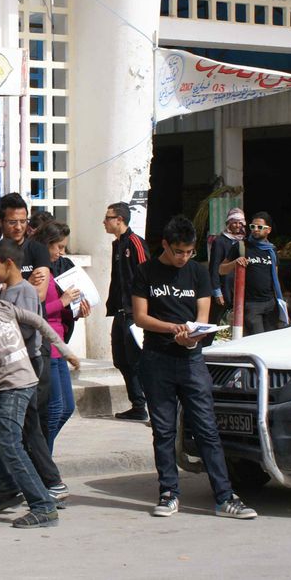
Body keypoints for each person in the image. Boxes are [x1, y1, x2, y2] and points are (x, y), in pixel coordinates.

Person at [132, 215, 257, 520]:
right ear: (165, 245)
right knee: (163, 430)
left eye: (188, 252)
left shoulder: (198, 273)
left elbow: (203, 316)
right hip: (156, 360)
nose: (183, 258)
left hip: (191, 360)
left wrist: (192, 337)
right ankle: (168, 492)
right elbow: (140, 317)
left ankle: (225, 497)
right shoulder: (145, 272)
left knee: (206, 429)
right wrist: (173, 328)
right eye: (178, 252)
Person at [0, 267, 76, 529]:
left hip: (14, 386)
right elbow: (39, 320)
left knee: (10, 445)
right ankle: (7, 490)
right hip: (15, 382)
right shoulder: (0, 304)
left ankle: (43, 506)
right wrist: (65, 350)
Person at [0, 241, 75, 502]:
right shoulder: (10, 291)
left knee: (26, 428)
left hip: (28, 366)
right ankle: (38, 483)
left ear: (8, 264)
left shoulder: (23, 292)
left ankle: (46, 483)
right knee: (26, 427)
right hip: (19, 367)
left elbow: (27, 328)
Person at [36, 221, 88, 451]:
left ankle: (39, 452)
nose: (61, 252)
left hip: (59, 344)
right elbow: (34, 312)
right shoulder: (38, 272)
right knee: (54, 408)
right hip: (45, 346)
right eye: (58, 246)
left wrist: (75, 309)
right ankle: (41, 457)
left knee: (66, 408)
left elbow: (59, 310)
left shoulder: (59, 267)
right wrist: (63, 301)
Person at [104, 201, 149, 421]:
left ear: (119, 220)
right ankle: (137, 405)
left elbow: (147, 276)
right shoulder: (117, 244)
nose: (104, 221)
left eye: (108, 217)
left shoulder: (135, 243)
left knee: (136, 360)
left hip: (134, 313)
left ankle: (146, 403)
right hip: (120, 311)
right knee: (120, 359)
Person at [219, 211, 289, 335]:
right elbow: (221, 269)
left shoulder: (271, 250)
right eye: (252, 226)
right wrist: (235, 262)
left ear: (268, 230)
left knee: (270, 339)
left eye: (260, 227)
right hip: (251, 304)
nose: (255, 229)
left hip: (271, 303)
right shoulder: (241, 246)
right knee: (258, 339)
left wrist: (279, 300)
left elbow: (275, 277)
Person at [0, 193, 52, 299]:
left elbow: (39, 295)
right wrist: (26, 283)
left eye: (23, 221)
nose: (18, 227)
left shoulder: (39, 250)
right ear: (0, 221)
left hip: (30, 314)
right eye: (12, 222)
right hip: (1, 315)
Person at [208, 208, 245, 326]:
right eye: (234, 222)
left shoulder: (245, 241)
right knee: (216, 320)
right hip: (224, 287)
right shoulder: (220, 241)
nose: (237, 225)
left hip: (240, 287)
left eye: (240, 222)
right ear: (228, 223)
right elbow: (214, 268)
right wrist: (217, 292)